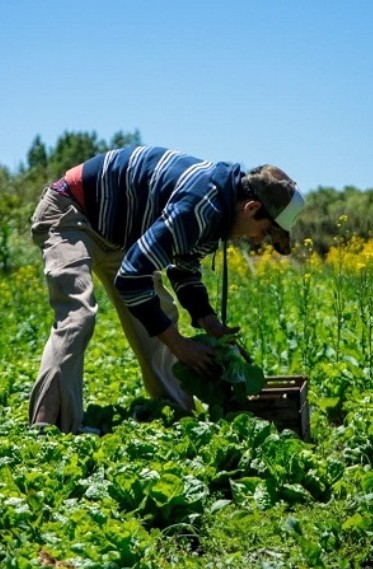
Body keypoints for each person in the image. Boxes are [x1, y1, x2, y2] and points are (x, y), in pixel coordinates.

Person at [28, 145, 305, 433]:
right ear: (252, 208)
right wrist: (181, 346)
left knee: (161, 312)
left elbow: (183, 267)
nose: (257, 240)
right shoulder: (201, 205)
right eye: (264, 232)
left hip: (115, 236)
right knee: (78, 316)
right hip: (71, 211)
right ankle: (49, 428)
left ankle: (176, 418)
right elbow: (131, 278)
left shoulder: (221, 208)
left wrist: (208, 320)